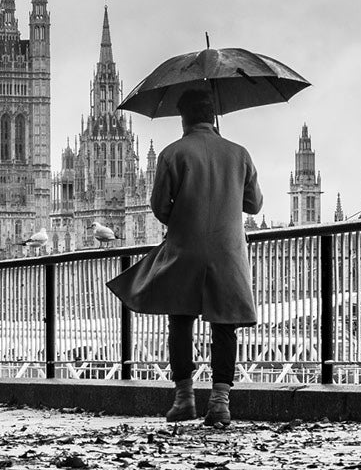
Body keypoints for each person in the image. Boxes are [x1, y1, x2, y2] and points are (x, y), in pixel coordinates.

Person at [107, 87, 261, 427]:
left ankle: (184, 398)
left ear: (183, 119)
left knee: (179, 322)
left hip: (185, 249)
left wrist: (184, 214)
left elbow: (159, 207)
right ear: (213, 117)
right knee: (225, 326)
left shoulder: (172, 154)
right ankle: (220, 402)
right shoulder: (239, 153)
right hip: (228, 252)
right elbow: (254, 204)